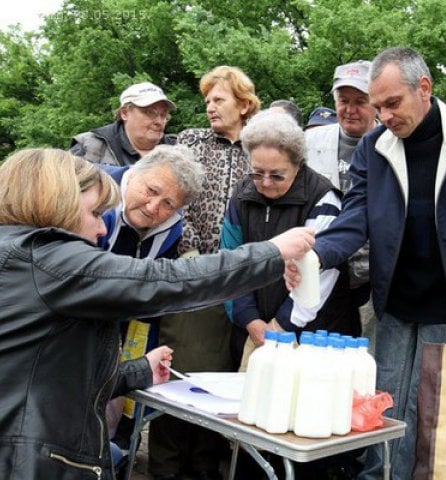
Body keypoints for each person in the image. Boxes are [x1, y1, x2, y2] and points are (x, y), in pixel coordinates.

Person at [0, 148, 314, 480]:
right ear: (54, 201)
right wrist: (272, 253)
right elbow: (163, 281)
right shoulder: (46, 259)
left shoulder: (23, 257)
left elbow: (51, 375)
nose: (102, 230)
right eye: (94, 213)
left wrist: (138, 372)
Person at [306, 47, 446, 480]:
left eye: (393, 103)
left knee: (431, 417)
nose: (385, 116)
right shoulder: (374, 147)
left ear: (424, 88)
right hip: (393, 304)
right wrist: (316, 254)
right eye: (379, 107)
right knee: (382, 407)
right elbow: (356, 214)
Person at [148, 65, 261, 480]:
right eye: (208, 100)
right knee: (182, 378)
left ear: (244, 104)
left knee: (222, 386)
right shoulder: (192, 140)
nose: (210, 107)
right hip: (194, 278)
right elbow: (174, 199)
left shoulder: (259, 148)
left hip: (243, 281)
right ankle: (164, 470)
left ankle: (204, 471)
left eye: (219, 99)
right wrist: (196, 253)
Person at [222, 110, 359, 369]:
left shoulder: (323, 198)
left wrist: (279, 327)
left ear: (297, 165)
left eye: (277, 175)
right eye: (257, 172)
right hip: (253, 328)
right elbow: (230, 262)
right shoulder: (240, 196)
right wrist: (250, 320)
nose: (265, 183)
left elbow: (318, 276)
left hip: (309, 333)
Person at [97, 144, 205, 456]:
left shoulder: (173, 229)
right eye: (151, 190)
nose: (152, 207)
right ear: (137, 171)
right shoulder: (96, 194)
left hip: (125, 321)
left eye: (168, 204)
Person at [305, 59, 378, 351]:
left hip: (371, 276)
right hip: (319, 270)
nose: (350, 109)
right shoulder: (308, 142)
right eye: (343, 100)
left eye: (360, 101)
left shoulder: (392, 143)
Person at [70, 82, 177, 166]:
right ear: (125, 113)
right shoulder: (89, 146)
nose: (159, 122)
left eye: (163, 115)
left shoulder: (178, 149)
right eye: (150, 113)